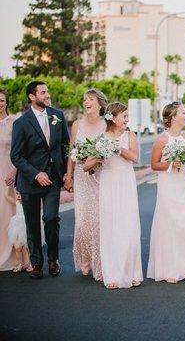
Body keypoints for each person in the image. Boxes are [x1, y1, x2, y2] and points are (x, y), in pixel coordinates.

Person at [10, 81, 69, 279]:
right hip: (30, 181)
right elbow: (16, 156)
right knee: (32, 223)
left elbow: (65, 147)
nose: (47, 95)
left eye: (47, 91)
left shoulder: (58, 116)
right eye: (43, 92)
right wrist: (36, 173)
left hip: (53, 178)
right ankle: (36, 263)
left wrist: (66, 173)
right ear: (32, 97)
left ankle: (53, 260)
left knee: (51, 218)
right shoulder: (21, 123)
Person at [147, 102, 185, 283]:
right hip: (168, 187)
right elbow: (154, 164)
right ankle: (171, 268)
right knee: (170, 227)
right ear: (173, 117)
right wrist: (172, 164)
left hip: (184, 186)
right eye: (183, 112)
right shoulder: (162, 140)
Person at [85, 102, 142, 289]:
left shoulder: (130, 135)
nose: (127, 120)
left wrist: (117, 148)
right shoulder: (101, 138)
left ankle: (132, 272)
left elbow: (135, 157)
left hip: (125, 183)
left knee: (128, 225)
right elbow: (86, 166)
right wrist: (98, 157)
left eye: (127, 116)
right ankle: (113, 273)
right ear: (113, 118)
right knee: (110, 226)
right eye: (124, 116)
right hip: (108, 184)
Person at [67, 89, 107, 281]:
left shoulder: (106, 125)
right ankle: (85, 259)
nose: (86, 102)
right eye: (84, 99)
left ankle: (100, 261)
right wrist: (68, 176)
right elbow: (72, 152)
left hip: (101, 176)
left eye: (90, 99)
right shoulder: (77, 125)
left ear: (100, 103)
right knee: (82, 222)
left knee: (99, 221)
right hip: (82, 177)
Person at [0, 89, 18, 271]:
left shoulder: (13, 123)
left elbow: (19, 151)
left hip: (8, 174)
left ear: (6, 102)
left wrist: (13, 171)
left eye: (2, 100)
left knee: (7, 213)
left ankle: (14, 254)